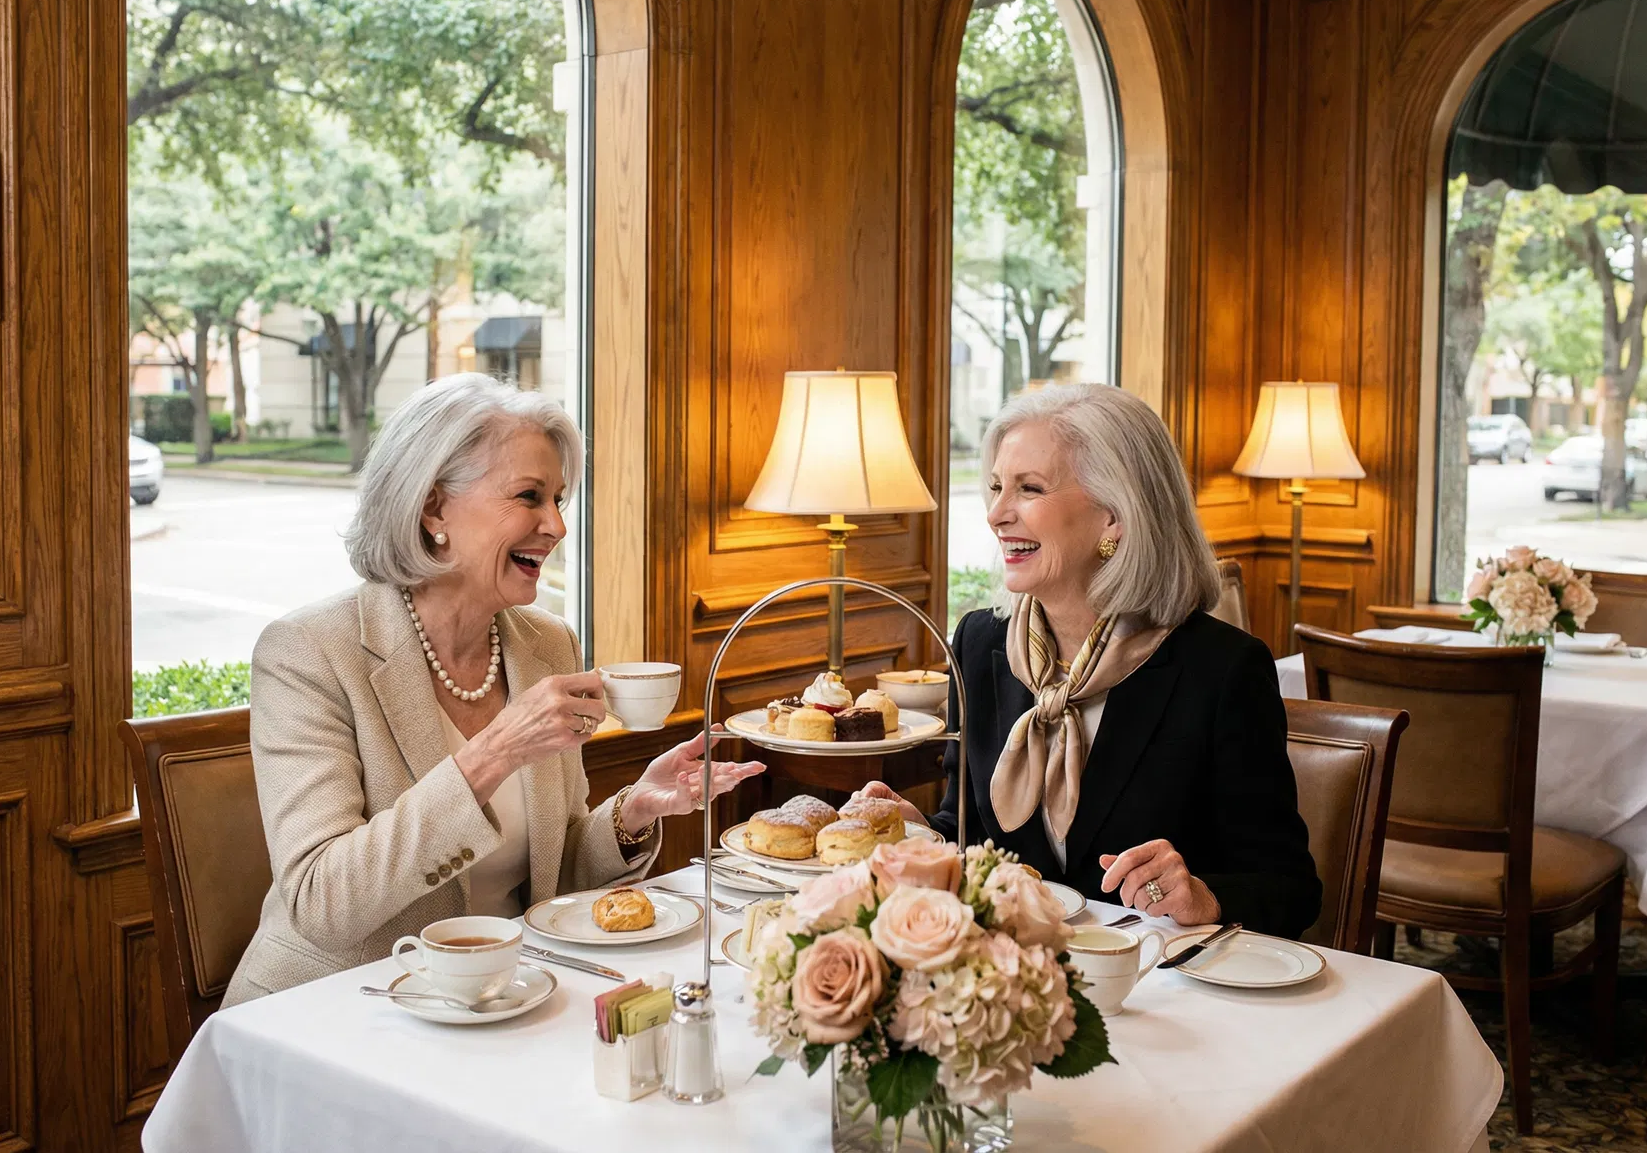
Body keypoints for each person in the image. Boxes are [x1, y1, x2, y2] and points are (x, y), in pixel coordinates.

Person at [224, 374, 762, 1004]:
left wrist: (633, 812)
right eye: (529, 496)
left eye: (558, 499)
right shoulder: (309, 652)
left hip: (499, 997)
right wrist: (494, 753)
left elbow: (552, 883)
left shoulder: (547, 644)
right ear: (433, 508)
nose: (556, 525)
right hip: (338, 1007)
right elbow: (323, 904)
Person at [860, 383, 1319, 938]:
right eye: (997, 487)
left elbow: (1289, 888)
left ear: (1114, 516)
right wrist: (918, 830)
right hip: (1014, 966)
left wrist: (1203, 894)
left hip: (1154, 977)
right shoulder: (980, 644)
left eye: (1030, 488)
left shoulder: (1222, 670)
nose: (996, 514)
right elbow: (973, 833)